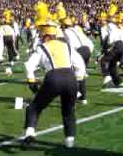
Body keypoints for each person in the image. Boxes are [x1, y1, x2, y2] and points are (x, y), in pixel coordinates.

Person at [23, 18, 86, 148]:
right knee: (68, 111)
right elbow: (80, 64)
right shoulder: (66, 45)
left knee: (34, 107)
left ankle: (30, 133)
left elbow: (29, 65)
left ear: (46, 35)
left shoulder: (42, 47)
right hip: (70, 77)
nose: (40, 37)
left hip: (54, 78)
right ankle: (69, 140)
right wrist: (78, 80)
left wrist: (31, 80)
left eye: (41, 34)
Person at [63, 17, 92, 104]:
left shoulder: (66, 32)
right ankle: (83, 98)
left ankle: (75, 94)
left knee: (72, 74)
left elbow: (69, 45)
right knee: (81, 74)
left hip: (78, 51)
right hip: (88, 49)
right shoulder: (77, 29)